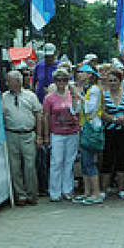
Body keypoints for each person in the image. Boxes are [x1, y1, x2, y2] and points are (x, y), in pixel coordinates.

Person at [2, 69, 43, 205]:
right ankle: (20, 195)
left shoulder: (31, 96)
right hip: (11, 134)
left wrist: (39, 136)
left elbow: (38, 115)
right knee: (14, 167)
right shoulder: (3, 97)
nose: (7, 83)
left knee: (30, 166)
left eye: (10, 81)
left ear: (18, 82)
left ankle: (32, 194)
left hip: (28, 135)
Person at [40, 69, 79, 202]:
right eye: (58, 80)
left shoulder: (72, 94)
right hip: (57, 133)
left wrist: (74, 95)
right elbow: (45, 117)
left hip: (73, 132)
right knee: (56, 162)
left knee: (69, 162)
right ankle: (55, 191)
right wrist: (45, 135)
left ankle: (67, 190)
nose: (61, 82)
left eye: (64, 80)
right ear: (54, 81)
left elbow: (77, 110)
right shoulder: (49, 98)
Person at [74, 66, 104, 205]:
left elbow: (90, 108)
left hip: (92, 129)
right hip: (84, 127)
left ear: (90, 75)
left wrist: (78, 95)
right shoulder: (85, 89)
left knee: (90, 161)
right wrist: (76, 96)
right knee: (85, 162)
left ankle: (96, 192)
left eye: (82, 72)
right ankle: (87, 191)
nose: (79, 75)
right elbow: (75, 109)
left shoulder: (95, 90)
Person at [101, 69, 124, 199]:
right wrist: (115, 119)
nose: (113, 83)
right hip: (109, 130)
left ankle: (122, 188)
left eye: (115, 80)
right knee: (107, 159)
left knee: (122, 159)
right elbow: (101, 113)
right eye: (110, 81)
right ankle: (104, 189)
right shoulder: (104, 95)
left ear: (120, 81)